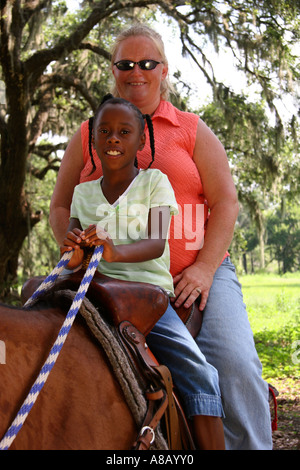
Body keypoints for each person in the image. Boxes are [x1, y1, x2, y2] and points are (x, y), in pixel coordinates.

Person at [50, 24, 273, 450]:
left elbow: (226, 202)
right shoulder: (88, 132)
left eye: (147, 63)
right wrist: (70, 241)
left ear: (164, 70)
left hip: (196, 274)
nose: (137, 71)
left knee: (234, 365)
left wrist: (206, 268)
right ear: (113, 70)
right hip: (108, 275)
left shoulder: (190, 128)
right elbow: (61, 206)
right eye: (126, 64)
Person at [61, 94, 225, 450]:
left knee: (200, 373)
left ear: (141, 140)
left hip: (145, 297)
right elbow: (73, 251)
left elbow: (155, 243)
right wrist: (74, 250)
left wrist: (114, 251)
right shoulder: (82, 192)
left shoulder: (155, 183)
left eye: (124, 131)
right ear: (93, 140)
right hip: (93, 293)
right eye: (104, 131)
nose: (113, 139)